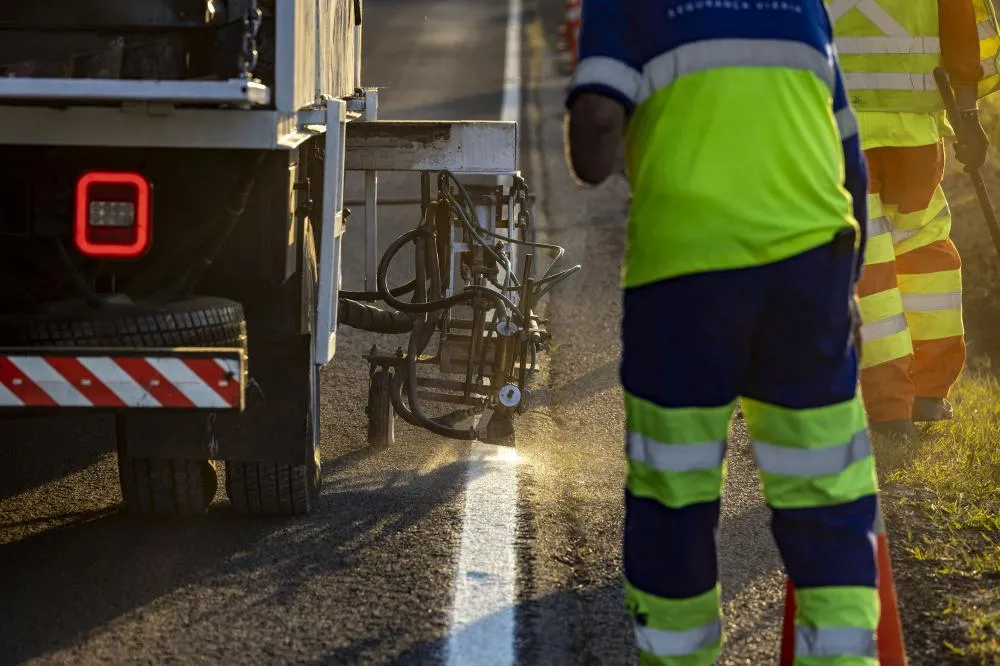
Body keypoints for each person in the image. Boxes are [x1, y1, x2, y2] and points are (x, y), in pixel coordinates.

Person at [565, 1, 881, 664]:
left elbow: (597, 131)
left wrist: (596, 131)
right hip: (810, 268)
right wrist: (846, 285)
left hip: (686, 274)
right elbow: (849, 158)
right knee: (825, 491)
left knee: (675, 495)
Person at [830, 0, 999, 438]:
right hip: (917, 133)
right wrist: (967, 117)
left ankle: (887, 408)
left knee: (868, 264)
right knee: (925, 253)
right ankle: (927, 390)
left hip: (837, 131)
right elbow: (964, 36)